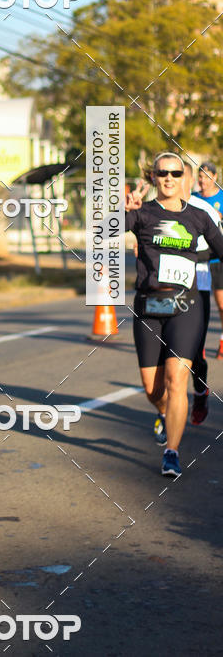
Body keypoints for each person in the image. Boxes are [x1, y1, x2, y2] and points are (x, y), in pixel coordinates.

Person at [125, 151, 223, 478]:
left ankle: (172, 452)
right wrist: (120, 212)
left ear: (184, 178)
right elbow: (104, 234)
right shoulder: (141, 213)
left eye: (174, 173)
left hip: (187, 306)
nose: (168, 178)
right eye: (161, 173)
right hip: (149, 306)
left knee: (176, 379)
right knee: (153, 389)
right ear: (153, 178)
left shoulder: (198, 216)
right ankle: (165, 413)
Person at [182, 161, 222, 424]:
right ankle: (164, 412)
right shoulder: (154, 210)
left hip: (204, 273)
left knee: (195, 348)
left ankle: (199, 390)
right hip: (163, 289)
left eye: (179, 175)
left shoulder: (204, 207)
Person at [194, 160, 223, 359]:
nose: (202, 180)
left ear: (214, 177)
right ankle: (198, 344)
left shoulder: (222, 197)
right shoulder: (193, 198)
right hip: (199, 260)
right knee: (199, 306)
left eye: (205, 176)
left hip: (218, 259)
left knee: (221, 304)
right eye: (200, 176)